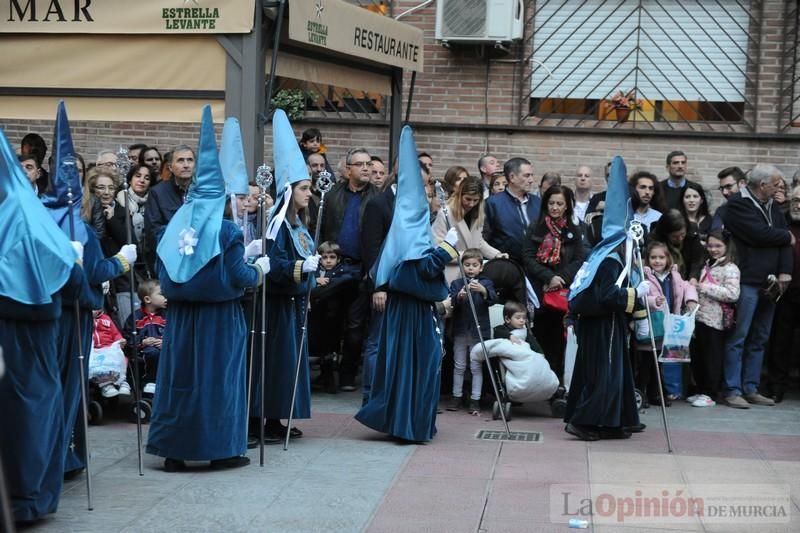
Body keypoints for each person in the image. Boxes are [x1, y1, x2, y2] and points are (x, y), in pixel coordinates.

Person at [146, 106, 268, 471]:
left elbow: (162, 271)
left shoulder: (173, 229)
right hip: (219, 319)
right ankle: (221, 450)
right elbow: (241, 278)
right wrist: (259, 268)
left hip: (181, 319)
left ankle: (175, 451)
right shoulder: (227, 231)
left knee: (180, 381)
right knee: (219, 383)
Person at [42, 102, 135, 477]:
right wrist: (124, 260)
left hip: (42, 315)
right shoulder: (76, 227)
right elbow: (96, 270)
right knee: (66, 387)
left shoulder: (39, 214)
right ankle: (63, 455)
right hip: (71, 317)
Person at [0, 125, 83, 524]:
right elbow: (73, 280)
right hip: (32, 337)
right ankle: (28, 501)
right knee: (31, 415)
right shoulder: (29, 213)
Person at [356, 124, 459, 443]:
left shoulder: (416, 223)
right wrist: (447, 248)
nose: (431, 200)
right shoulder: (412, 226)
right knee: (416, 364)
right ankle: (406, 423)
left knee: (411, 364)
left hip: (409, 310)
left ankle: (408, 420)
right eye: (427, 193)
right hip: (411, 311)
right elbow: (418, 270)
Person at [564, 156, 646, 441]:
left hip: (600, 323)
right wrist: (636, 295)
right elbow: (609, 296)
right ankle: (585, 421)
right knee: (604, 374)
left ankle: (616, 420)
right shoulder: (611, 261)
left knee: (611, 370)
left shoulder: (602, 255)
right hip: (602, 323)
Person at [250, 109, 320, 443]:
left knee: (288, 365)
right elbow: (274, 266)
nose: (310, 193)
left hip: (293, 306)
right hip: (276, 308)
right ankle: (263, 419)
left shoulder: (300, 225)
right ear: (290, 190)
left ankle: (277, 418)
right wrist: (298, 269)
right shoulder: (278, 224)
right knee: (274, 363)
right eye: (304, 188)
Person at [721, 164, 793, 408]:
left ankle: (751, 387)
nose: (778, 189)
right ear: (762, 185)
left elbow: (785, 244)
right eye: (775, 185)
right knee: (738, 336)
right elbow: (758, 234)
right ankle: (732, 389)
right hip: (748, 281)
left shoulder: (774, 207)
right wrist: (784, 236)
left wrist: (785, 272)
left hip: (772, 282)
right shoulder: (737, 204)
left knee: (760, 337)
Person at [318, 147, 379, 390]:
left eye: (368, 164)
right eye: (360, 164)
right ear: (348, 169)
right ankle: (326, 373)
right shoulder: (332, 195)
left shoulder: (378, 197)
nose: (366, 168)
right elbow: (322, 229)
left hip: (361, 269)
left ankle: (347, 376)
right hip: (333, 267)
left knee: (355, 325)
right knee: (329, 320)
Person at [522, 185, 586, 379]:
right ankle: (537, 381)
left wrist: (561, 278)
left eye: (560, 204)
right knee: (539, 336)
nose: (555, 208)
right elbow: (527, 257)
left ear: (567, 206)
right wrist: (548, 277)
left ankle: (556, 381)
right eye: (551, 203)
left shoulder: (574, 230)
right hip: (540, 292)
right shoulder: (536, 227)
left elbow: (578, 259)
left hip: (562, 295)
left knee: (559, 340)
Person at [635, 241, 698, 405]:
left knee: (662, 361)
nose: (657, 261)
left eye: (661, 257)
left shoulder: (674, 275)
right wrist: (653, 300)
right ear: (648, 259)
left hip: (669, 325)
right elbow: (639, 295)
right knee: (647, 362)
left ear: (668, 258)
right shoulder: (645, 275)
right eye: (653, 257)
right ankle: (641, 393)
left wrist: (691, 300)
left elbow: (687, 286)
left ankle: (657, 394)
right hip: (652, 325)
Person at [690, 231, 740, 406]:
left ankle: (711, 393)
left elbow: (733, 294)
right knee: (699, 356)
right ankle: (701, 390)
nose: (713, 249)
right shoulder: (707, 264)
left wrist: (704, 287)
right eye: (710, 245)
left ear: (727, 246)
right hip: (700, 317)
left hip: (716, 320)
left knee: (713, 358)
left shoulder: (731, 268)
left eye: (718, 246)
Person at [446, 249, 496, 414]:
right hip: (460, 330)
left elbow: (493, 299)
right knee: (459, 365)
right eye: (467, 265)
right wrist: (459, 296)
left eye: (475, 265)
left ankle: (475, 399)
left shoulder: (486, 282)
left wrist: (483, 291)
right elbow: (451, 303)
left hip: (478, 331)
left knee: (476, 366)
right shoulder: (457, 283)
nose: (471, 269)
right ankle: (456, 397)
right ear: (462, 267)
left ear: (481, 267)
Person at [432, 176, 507, 283]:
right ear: (460, 195)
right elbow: (438, 248)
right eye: (468, 199)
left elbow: (478, 242)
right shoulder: (446, 213)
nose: (471, 204)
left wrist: (496, 255)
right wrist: (469, 256)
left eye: (475, 200)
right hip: (451, 274)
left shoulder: (478, 214)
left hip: (472, 275)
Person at [309, 241, 360, 393]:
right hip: (316, 319)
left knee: (330, 351)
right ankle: (324, 378)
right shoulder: (314, 273)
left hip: (334, 320)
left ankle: (329, 380)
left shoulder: (344, 273)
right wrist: (314, 282)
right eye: (325, 257)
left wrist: (324, 284)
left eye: (332, 257)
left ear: (338, 259)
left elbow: (348, 280)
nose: (329, 260)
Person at [766, 184, 800, 403]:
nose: (798, 204)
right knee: (780, 340)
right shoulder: (781, 221)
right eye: (795, 200)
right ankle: (776, 387)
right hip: (785, 291)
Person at [483, 157, 541, 262]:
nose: (531, 180)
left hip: (536, 265)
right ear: (512, 177)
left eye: (532, 175)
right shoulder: (493, 203)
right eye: (527, 175)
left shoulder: (538, 202)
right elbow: (484, 238)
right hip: (507, 265)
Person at [144, 144, 196, 251]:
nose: (186, 165)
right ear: (170, 167)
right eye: (180, 160)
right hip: (170, 253)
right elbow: (153, 230)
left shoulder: (203, 192)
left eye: (190, 160)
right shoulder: (157, 193)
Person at [126, 279, 167, 396]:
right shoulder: (136, 317)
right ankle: (150, 382)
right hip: (143, 351)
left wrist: (166, 342)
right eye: (161, 294)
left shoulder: (167, 315)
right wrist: (142, 341)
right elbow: (127, 336)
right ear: (148, 299)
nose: (166, 297)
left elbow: (175, 334)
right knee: (152, 352)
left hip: (165, 348)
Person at [649, 209, 705, 283]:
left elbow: (697, 260)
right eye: (674, 236)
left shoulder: (692, 234)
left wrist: (693, 277)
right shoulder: (655, 239)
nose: (680, 239)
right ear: (666, 233)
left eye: (682, 234)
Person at [88, 308, 129, 398]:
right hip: (93, 350)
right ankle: (105, 384)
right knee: (98, 365)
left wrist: (120, 339)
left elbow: (115, 333)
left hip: (109, 347)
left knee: (120, 358)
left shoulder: (106, 318)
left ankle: (122, 381)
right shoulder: (84, 320)